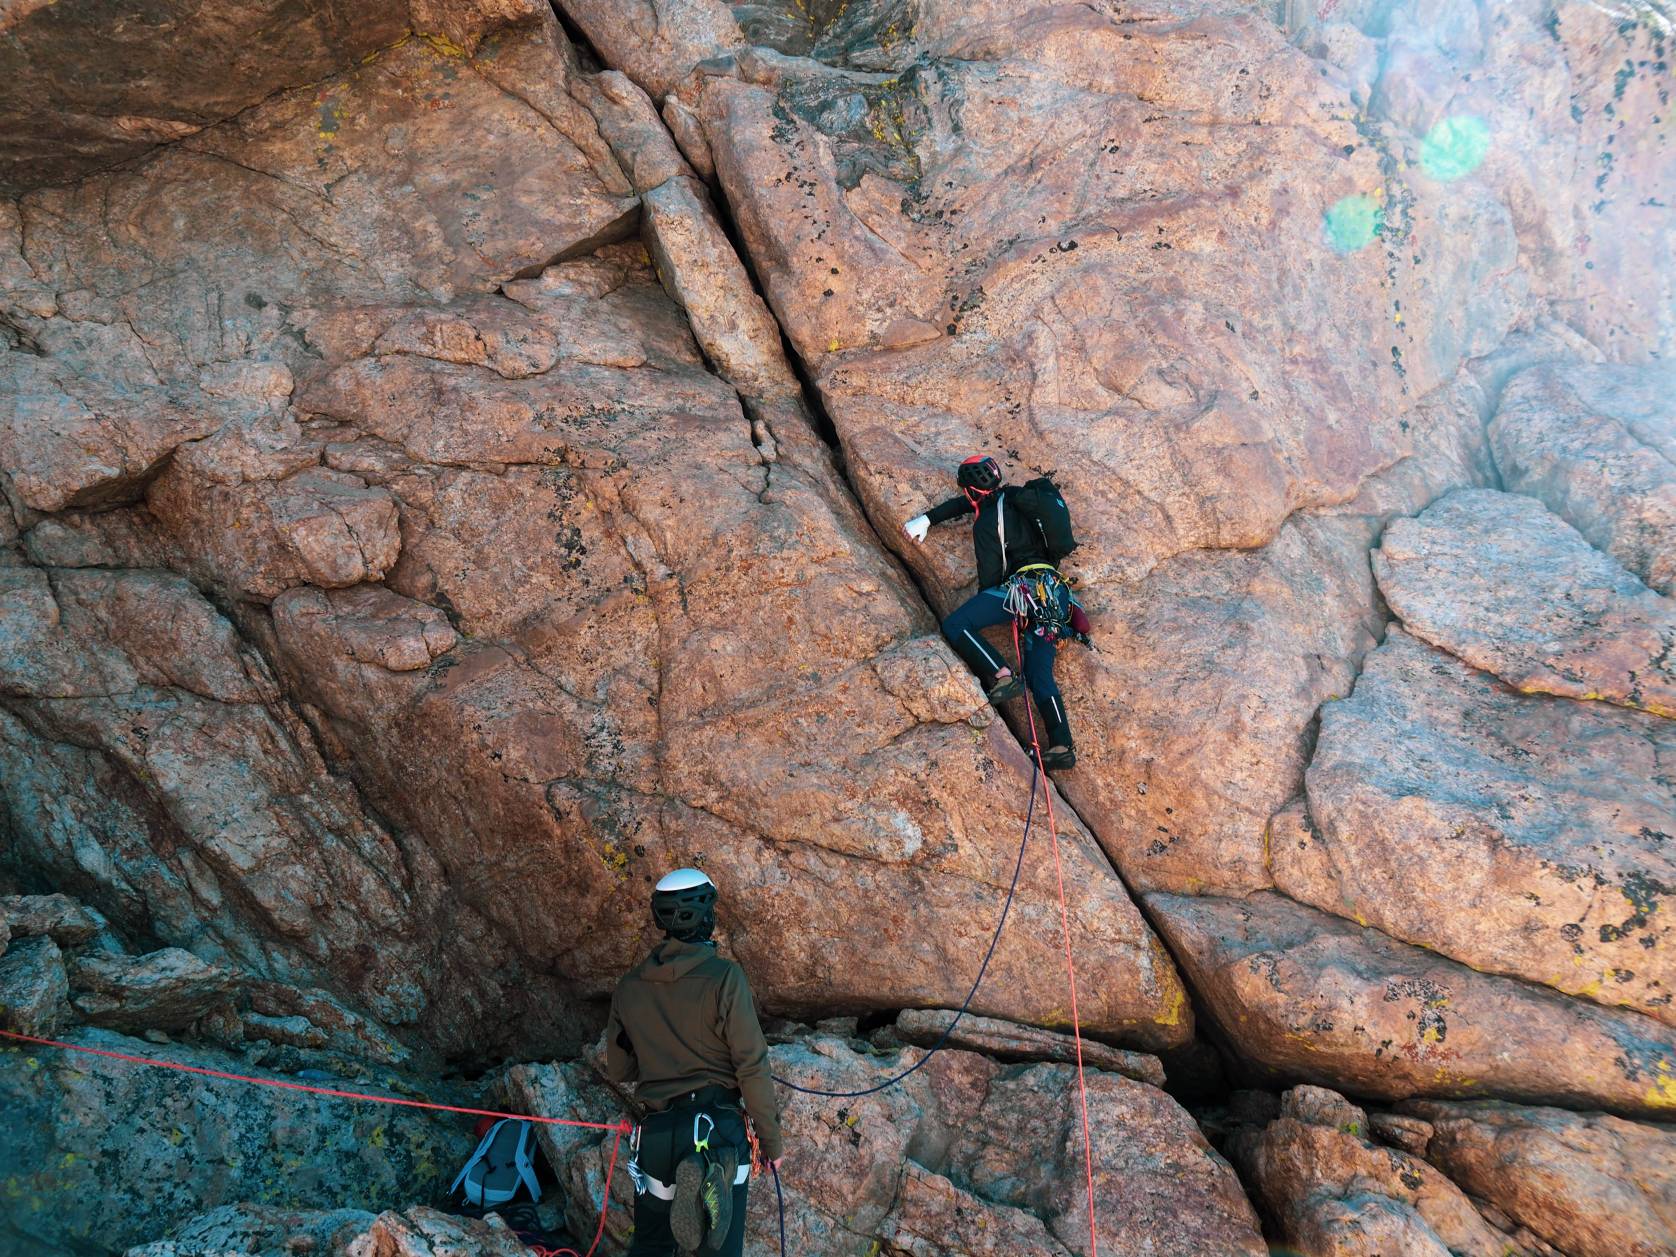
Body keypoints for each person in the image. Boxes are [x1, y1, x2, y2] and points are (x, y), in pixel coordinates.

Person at [607, 868, 783, 1256]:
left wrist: (662, 1057)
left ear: (660, 919)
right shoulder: (725, 978)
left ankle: (688, 1177)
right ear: (707, 915)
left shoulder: (629, 988)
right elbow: (751, 1064)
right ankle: (708, 1172)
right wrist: (771, 1141)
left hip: (656, 1134)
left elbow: (619, 1070)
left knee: (651, 1246)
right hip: (716, 1127)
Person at [903, 454, 1088, 769]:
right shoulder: (1017, 496)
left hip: (1022, 591)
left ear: (973, 491)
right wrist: (930, 518)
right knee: (1039, 674)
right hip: (1055, 595)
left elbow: (990, 576)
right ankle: (1061, 746)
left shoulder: (988, 522)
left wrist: (990, 603)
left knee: (958, 624)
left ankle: (1002, 675)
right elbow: (970, 505)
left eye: (966, 491)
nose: (965, 496)